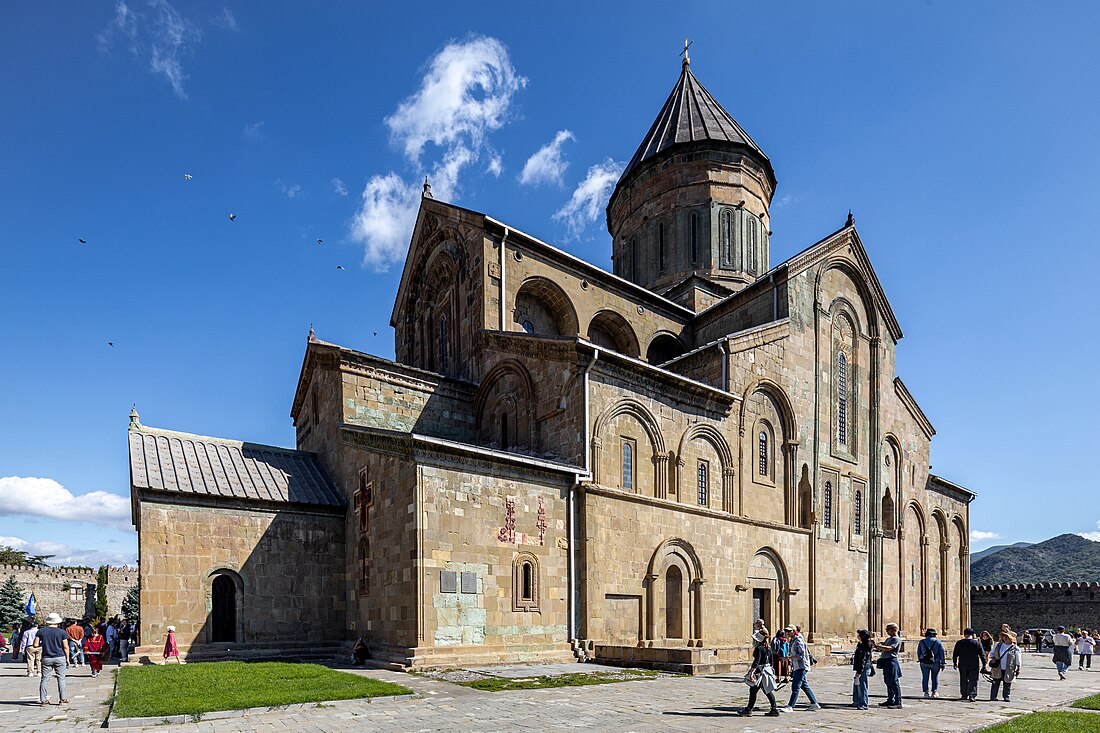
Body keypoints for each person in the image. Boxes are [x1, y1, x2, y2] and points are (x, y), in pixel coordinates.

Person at [738, 629, 780, 717]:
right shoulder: (768, 647)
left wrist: (752, 672)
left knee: (754, 690)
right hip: (767, 670)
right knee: (766, 690)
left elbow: (757, 661)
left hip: (760, 671)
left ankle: (748, 710)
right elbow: (771, 660)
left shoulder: (759, 648)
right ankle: (774, 709)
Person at [779, 624, 820, 712]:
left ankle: (791, 706)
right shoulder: (793, 640)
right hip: (797, 666)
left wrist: (788, 658)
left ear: (794, 631)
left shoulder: (798, 640)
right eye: (786, 631)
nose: (787, 633)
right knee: (804, 686)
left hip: (801, 666)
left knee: (795, 686)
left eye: (789, 631)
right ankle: (814, 703)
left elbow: (801, 655)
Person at [37, 613, 71, 706]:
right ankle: (62, 699)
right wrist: (67, 658)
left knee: (44, 679)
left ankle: (43, 700)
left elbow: (35, 644)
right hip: (59, 657)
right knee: (61, 678)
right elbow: (65, 647)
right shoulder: (62, 632)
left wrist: (44, 643)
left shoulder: (41, 631)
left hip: (46, 657)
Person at [952, 627, 987, 702]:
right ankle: (972, 695)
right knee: (973, 679)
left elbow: (955, 654)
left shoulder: (959, 643)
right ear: (973, 634)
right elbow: (982, 654)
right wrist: (984, 664)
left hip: (962, 663)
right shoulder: (977, 643)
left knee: (963, 679)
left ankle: (964, 695)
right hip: (974, 663)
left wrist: (954, 662)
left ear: (964, 634)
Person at [874, 622, 903, 709]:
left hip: (891, 661)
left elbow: (889, 648)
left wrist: (878, 646)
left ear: (894, 630)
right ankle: (890, 699)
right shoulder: (889, 639)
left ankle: (898, 702)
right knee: (888, 681)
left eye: (888, 630)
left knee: (894, 682)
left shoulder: (896, 639)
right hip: (886, 662)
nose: (886, 632)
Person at [989, 630, 1021, 702]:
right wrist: (994, 659)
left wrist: (1018, 668)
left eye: (1007, 637)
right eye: (1004, 636)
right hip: (997, 667)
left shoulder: (1015, 648)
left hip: (1009, 668)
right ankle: (993, 696)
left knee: (1007, 683)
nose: (1005, 638)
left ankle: (1006, 697)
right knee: (995, 682)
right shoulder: (998, 645)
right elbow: (992, 654)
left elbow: (1018, 659)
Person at [917, 628, 947, 698]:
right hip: (935, 662)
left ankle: (926, 692)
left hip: (924, 662)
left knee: (925, 677)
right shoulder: (938, 642)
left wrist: (920, 659)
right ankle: (934, 692)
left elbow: (919, 652)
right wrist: (943, 662)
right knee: (935, 677)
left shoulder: (921, 642)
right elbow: (941, 653)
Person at [852, 628, 874, 710]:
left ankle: (863, 703)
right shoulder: (861, 645)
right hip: (860, 667)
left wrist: (859, 671)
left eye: (859, 635)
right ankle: (856, 701)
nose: (857, 636)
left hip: (863, 668)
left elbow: (863, 660)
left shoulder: (865, 646)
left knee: (862, 685)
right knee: (857, 684)